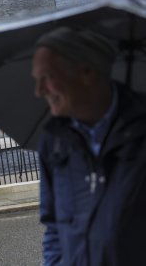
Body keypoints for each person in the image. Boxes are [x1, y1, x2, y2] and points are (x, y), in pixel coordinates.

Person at [32, 26, 146, 265]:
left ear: (85, 73)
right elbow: (54, 227)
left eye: (47, 78)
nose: (39, 91)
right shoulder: (53, 141)